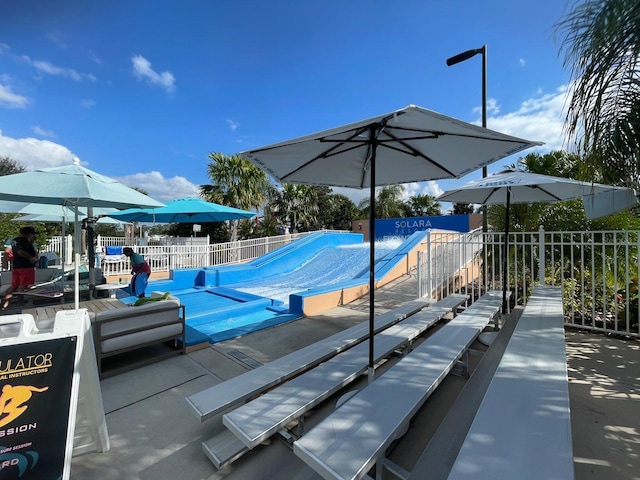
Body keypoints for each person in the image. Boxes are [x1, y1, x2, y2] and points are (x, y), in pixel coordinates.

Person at [2, 226, 38, 310]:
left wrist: (31, 241)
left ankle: (5, 304)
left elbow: (10, 251)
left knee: (14, 285)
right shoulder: (24, 241)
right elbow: (20, 251)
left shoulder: (14, 240)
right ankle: (20, 302)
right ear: (29, 234)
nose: (33, 236)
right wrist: (31, 258)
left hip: (16, 265)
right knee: (23, 285)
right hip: (25, 266)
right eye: (32, 234)